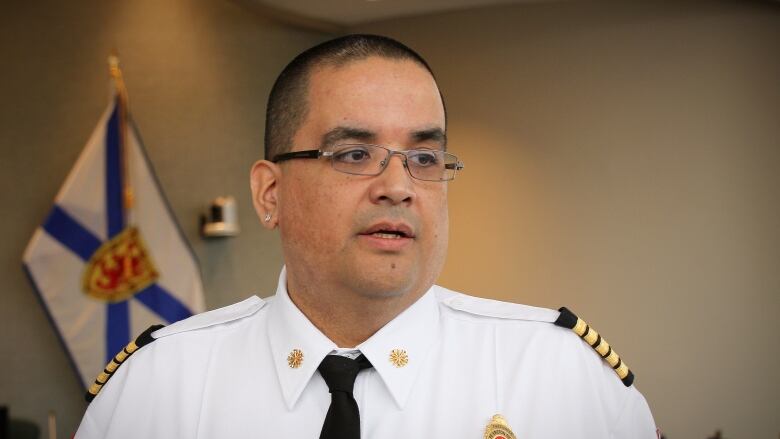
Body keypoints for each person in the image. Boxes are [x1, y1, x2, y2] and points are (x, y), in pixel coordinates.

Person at [75, 34, 657, 438]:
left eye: (425, 157)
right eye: (355, 153)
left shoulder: (563, 378)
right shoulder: (158, 387)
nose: (398, 186)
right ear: (269, 194)